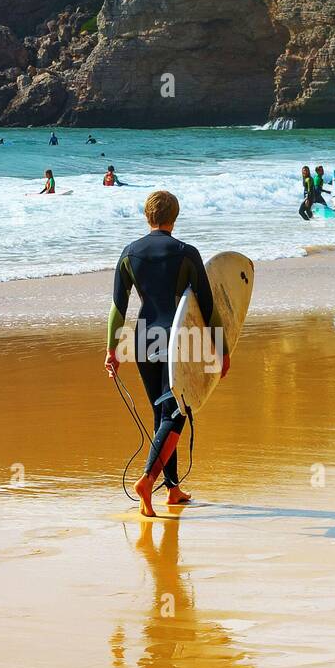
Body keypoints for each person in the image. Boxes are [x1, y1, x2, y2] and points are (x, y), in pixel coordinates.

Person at [105, 190, 227, 518]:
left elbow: (118, 308)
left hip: (144, 339)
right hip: (178, 338)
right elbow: (207, 305)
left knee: (162, 414)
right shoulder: (187, 253)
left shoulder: (129, 253)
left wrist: (112, 350)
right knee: (177, 413)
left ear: (148, 215)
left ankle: (172, 490)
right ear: (175, 215)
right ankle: (146, 481)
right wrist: (222, 349)